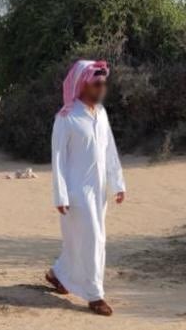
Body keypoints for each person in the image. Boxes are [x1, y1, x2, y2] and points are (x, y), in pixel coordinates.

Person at [46, 59, 126, 316]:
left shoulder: (101, 114)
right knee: (94, 239)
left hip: (99, 190)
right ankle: (95, 295)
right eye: (96, 83)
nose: (102, 87)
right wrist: (60, 194)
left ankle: (58, 274)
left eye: (104, 83)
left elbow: (110, 151)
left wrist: (117, 183)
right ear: (82, 85)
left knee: (79, 240)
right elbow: (57, 158)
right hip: (76, 191)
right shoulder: (66, 117)